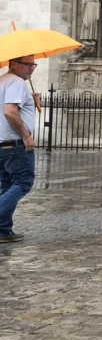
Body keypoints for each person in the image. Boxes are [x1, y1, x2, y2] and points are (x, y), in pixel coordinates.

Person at [0, 55, 40, 243]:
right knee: (23, 183)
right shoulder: (16, 82)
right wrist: (26, 135)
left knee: (7, 186)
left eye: (33, 64)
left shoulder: (3, 81)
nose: (32, 68)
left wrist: (29, 100)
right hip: (16, 145)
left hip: (2, 145)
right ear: (13, 63)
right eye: (27, 64)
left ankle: (3, 231)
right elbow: (9, 111)